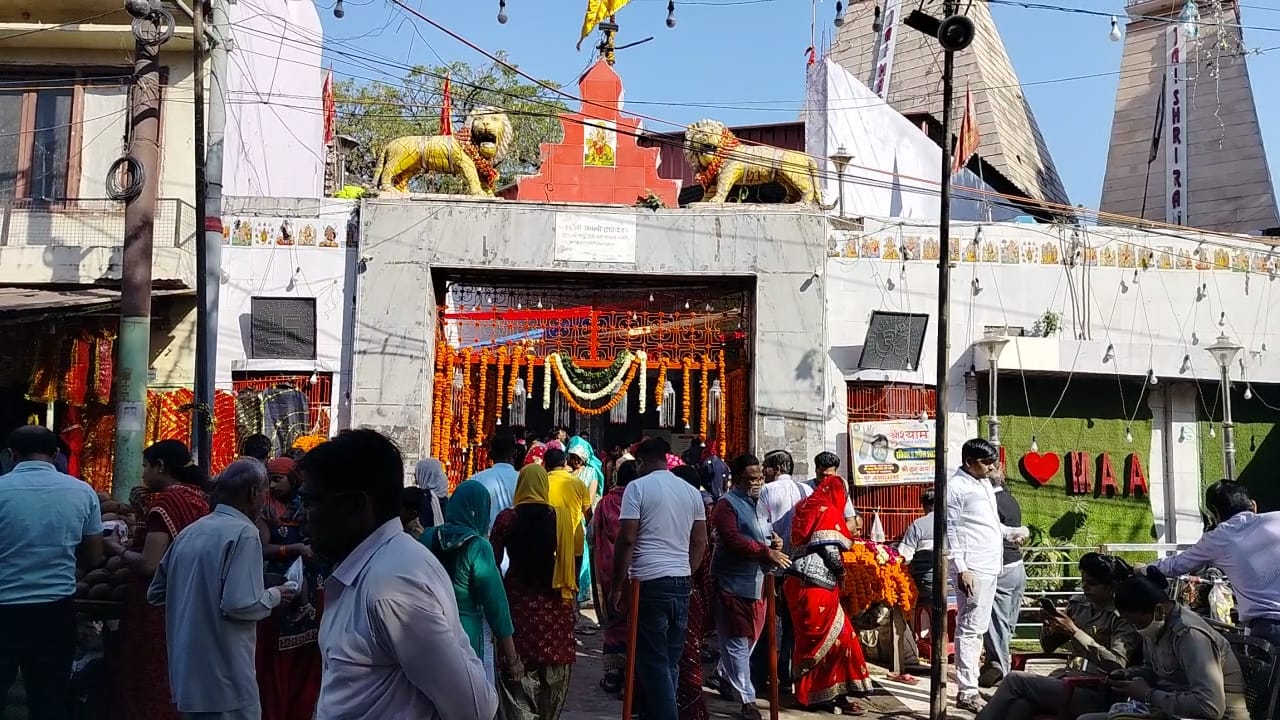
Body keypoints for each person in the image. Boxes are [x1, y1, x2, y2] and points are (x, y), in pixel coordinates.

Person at [300, 430, 495, 720]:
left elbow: (474, 708)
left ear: (356, 505)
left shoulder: (391, 587)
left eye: (310, 502)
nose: (302, 515)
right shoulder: (377, 567)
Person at [148, 458, 291, 720]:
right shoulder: (244, 533)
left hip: (187, 677)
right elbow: (240, 605)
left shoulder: (190, 532)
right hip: (226, 681)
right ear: (253, 493)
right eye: (264, 493)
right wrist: (275, 595)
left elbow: (156, 592)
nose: (265, 500)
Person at [0, 425, 103, 720]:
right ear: (56, 453)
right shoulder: (82, 492)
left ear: (11, 454)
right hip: (54, 613)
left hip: (4, 610)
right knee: (49, 700)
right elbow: (94, 556)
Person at [105, 440, 211, 720]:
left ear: (160, 466)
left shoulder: (167, 500)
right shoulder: (198, 496)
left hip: (158, 606)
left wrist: (116, 548)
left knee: (151, 675)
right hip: (189, 599)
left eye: (145, 467)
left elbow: (150, 564)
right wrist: (142, 512)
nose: (142, 474)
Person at [610, 437, 709, 720]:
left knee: (653, 663)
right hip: (680, 581)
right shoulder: (690, 492)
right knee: (669, 662)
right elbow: (700, 541)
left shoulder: (637, 488)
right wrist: (686, 571)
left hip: (649, 581)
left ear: (640, 463)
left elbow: (627, 539)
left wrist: (617, 587)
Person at [975, 553, 1141, 720]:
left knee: (1015, 680)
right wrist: (1050, 626)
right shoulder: (1079, 605)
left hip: (1097, 692)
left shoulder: (1123, 617)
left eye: (1092, 583)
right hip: (1068, 680)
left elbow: (1116, 664)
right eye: (1083, 581)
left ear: (1111, 586)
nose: (1085, 587)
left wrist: (1074, 632)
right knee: (1021, 705)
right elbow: (1048, 647)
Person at [1076, 568, 1249, 720]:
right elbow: (1155, 670)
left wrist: (1148, 694)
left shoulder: (1190, 635)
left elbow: (1210, 707)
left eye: (1139, 623)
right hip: (1173, 711)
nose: (1139, 630)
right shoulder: (1156, 625)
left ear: (1159, 610)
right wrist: (1127, 675)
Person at [491, 464, 576, 719]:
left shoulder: (507, 519)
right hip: (554, 607)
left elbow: (493, 562)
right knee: (553, 677)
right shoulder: (559, 518)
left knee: (516, 681)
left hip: (518, 605)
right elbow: (569, 565)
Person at [1148, 479, 1280, 646]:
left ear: (1215, 515)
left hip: (1269, 629)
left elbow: (1175, 565)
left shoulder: (1218, 538)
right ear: (1253, 505)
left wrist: (1141, 569)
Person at [709, 455, 791, 720]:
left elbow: (765, 532)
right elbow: (732, 539)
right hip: (731, 583)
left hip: (759, 584)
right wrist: (765, 551)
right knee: (737, 641)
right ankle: (748, 700)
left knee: (749, 640)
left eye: (760, 477)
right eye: (751, 478)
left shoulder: (761, 504)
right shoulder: (726, 505)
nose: (757, 482)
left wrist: (774, 542)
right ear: (737, 478)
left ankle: (725, 675)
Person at [783, 473, 870, 713]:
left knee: (817, 641)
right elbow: (829, 550)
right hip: (817, 585)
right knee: (834, 640)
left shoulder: (805, 506)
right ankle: (820, 695)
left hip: (797, 582)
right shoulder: (827, 510)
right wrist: (841, 572)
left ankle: (830, 694)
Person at [422, 481, 518, 685]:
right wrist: (512, 659)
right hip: (467, 636)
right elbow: (496, 607)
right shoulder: (478, 547)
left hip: (430, 629)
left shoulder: (428, 537)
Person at [255, 456, 323, 720]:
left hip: (313, 592)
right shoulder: (266, 509)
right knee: (276, 665)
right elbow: (262, 548)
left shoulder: (308, 506)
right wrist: (291, 549)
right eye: (269, 480)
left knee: (308, 663)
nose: (273, 486)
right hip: (280, 592)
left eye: (278, 479)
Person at [945, 438, 1005, 713]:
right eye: (986, 462)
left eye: (993, 461)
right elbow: (952, 529)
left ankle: (971, 686)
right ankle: (967, 691)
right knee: (969, 629)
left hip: (990, 564)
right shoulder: (956, 487)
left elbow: (988, 523)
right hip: (973, 566)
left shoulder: (983, 484)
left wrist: (1010, 533)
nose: (991, 467)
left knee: (978, 629)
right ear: (969, 462)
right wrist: (961, 567)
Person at [752, 449, 809, 692]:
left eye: (765, 467)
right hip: (799, 567)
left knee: (767, 621)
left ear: (776, 469)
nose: (763, 472)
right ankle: (786, 675)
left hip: (774, 566)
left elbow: (760, 526)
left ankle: (762, 674)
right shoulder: (806, 491)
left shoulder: (767, 491)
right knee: (792, 625)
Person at [670, 465, 713, 720]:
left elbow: (701, 551)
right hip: (687, 589)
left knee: (683, 656)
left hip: (683, 588)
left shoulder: (695, 512)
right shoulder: (696, 509)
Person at [980, 471, 1029, 687]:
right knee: (1007, 622)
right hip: (1017, 566)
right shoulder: (1011, 500)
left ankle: (1001, 668)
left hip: (1001, 566)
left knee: (996, 623)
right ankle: (994, 663)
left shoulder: (989, 503)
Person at [594, 460, 638, 695]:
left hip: (609, 568)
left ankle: (612, 673)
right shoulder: (639, 500)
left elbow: (594, 532)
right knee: (635, 620)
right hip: (635, 568)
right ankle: (631, 676)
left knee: (613, 618)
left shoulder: (605, 502)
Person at [546, 448, 592, 601]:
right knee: (572, 584)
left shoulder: (542, 483)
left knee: (549, 586)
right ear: (565, 463)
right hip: (574, 542)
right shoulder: (578, 483)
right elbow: (588, 514)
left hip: (549, 542)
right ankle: (572, 611)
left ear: (545, 464)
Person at [463, 432, 519, 530]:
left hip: (483, 537)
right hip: (513, 538)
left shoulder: (476, 479)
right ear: (514, 453)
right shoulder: (521, 479)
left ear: (491, 455)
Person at [807, 452, 860, 535]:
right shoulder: (806, 488)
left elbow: (851, 522)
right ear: (816, 470)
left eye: (829, 476)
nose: (825, 479)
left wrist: (835, 534)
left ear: (835, 472)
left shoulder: (840, 488)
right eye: (821, 475)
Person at [413, 457, 449, 528]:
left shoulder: (420, 499)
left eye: (417, 473)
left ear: (424, 474)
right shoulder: (447, 500)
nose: (415, 476)